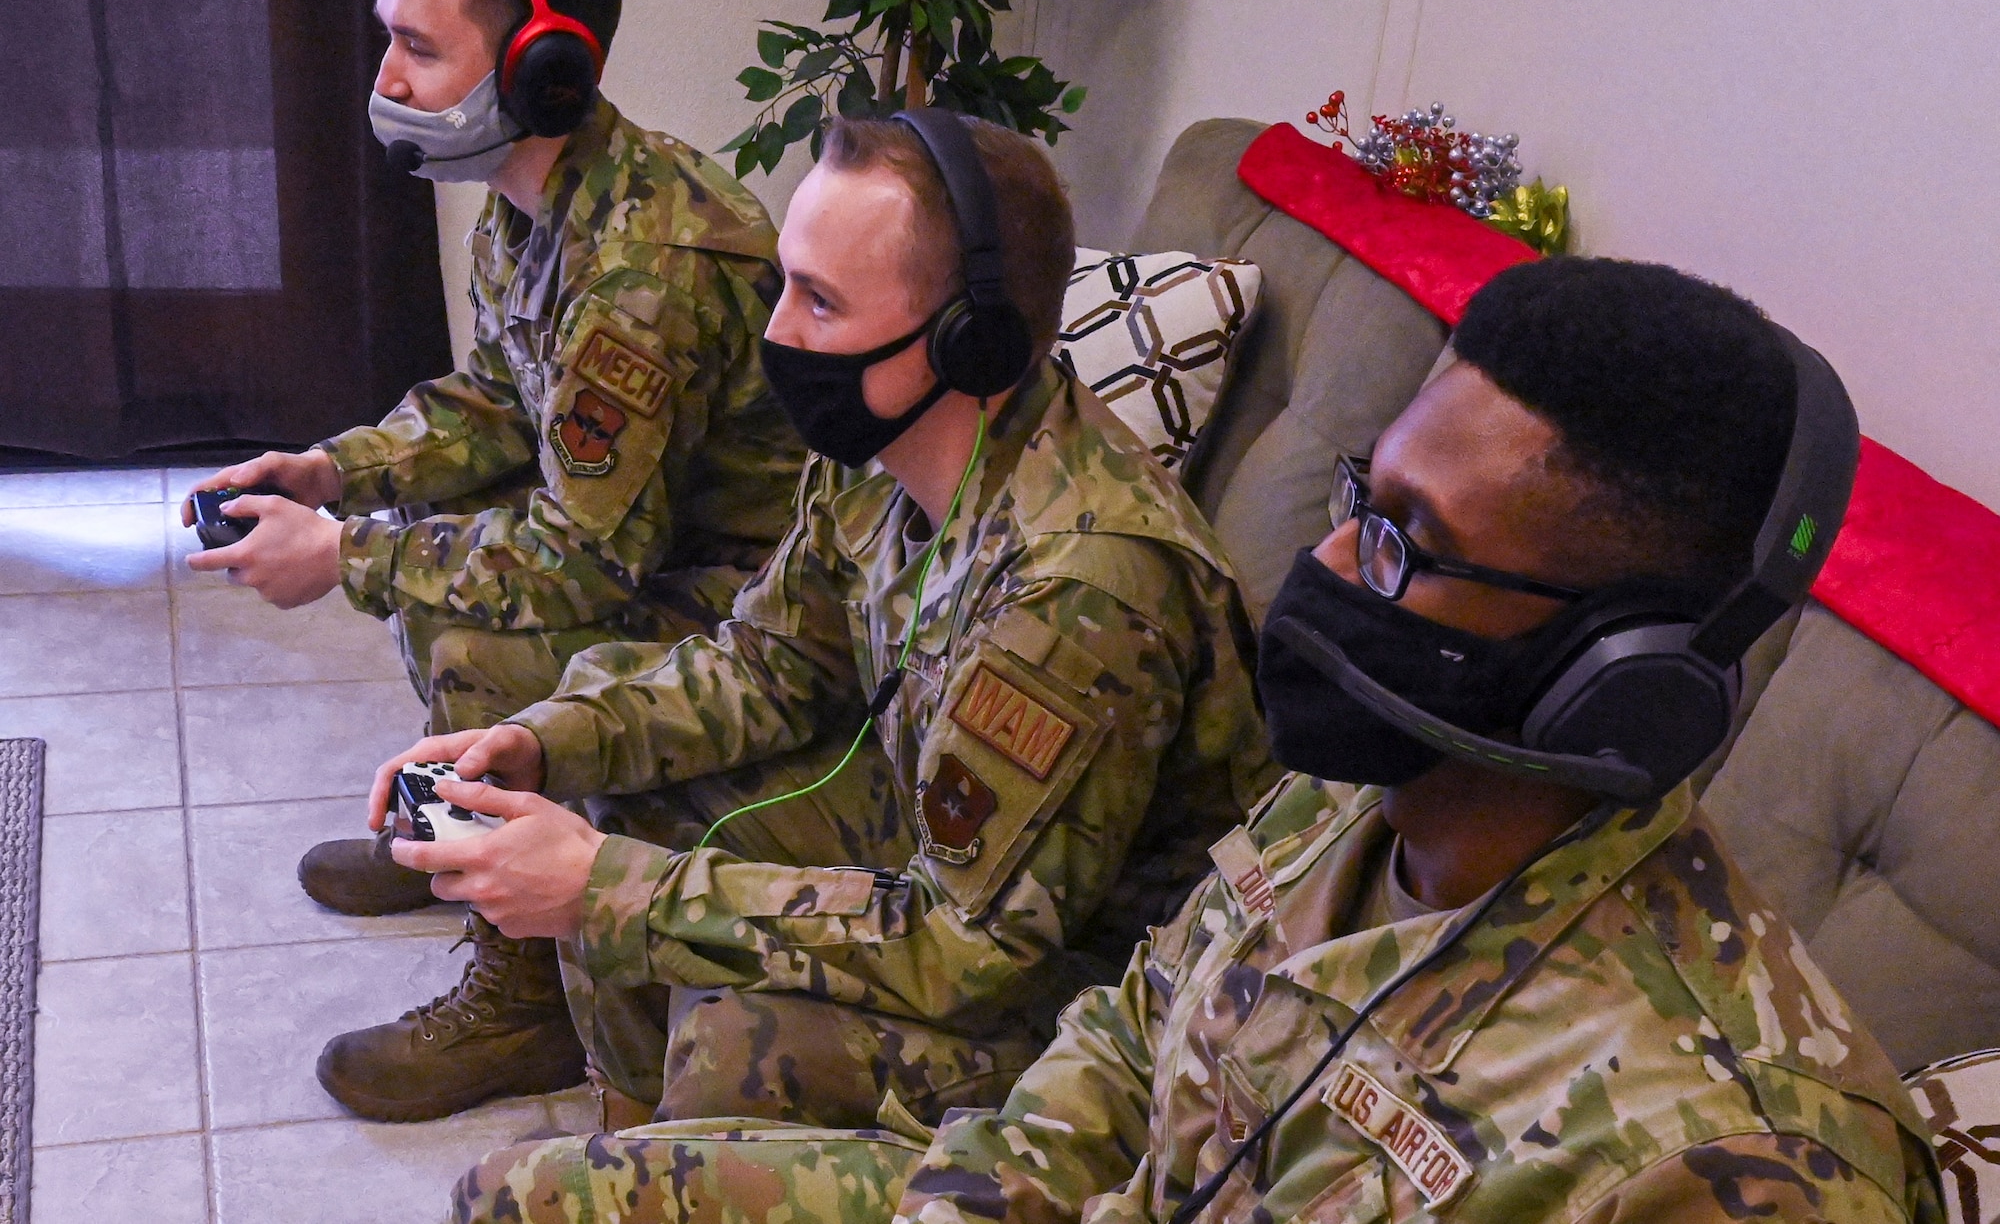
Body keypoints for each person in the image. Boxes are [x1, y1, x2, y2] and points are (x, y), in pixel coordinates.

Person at [444, 259, 1945, 1224]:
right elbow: (1127, 1029)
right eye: (1368, 501)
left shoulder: (1719, 1161)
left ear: (1615, 684)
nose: (1333, 571)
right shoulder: (1355, 798)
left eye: (1412, 550)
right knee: (521, 1201)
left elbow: (991, 954)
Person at [348, 110, 1276, 1135]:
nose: (776, 331)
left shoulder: (1084, 587)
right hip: (941, 834)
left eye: (821, 302)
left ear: (970, 342)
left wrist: (618, 890)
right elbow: (767, 663)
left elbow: (970, 945)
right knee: (608, 791)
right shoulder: (881, 435)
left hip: (1090, 975)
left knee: (732, 1030)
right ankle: (631, 1142)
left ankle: (675, 1169)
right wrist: (543, 742)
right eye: (787, 280)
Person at [181, 0, 806, 1119]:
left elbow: (582, 563)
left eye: (420, 47)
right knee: (433, 553)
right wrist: (335, 473)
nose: (389, 78)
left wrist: (346, 553)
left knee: (478, 627)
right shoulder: (531, 201)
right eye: (388, 36)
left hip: (747, 607)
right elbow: (496, 404)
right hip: (645, 542)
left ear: (541, 67)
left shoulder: (645, 266)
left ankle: (525, 1007)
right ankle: (453, 825)